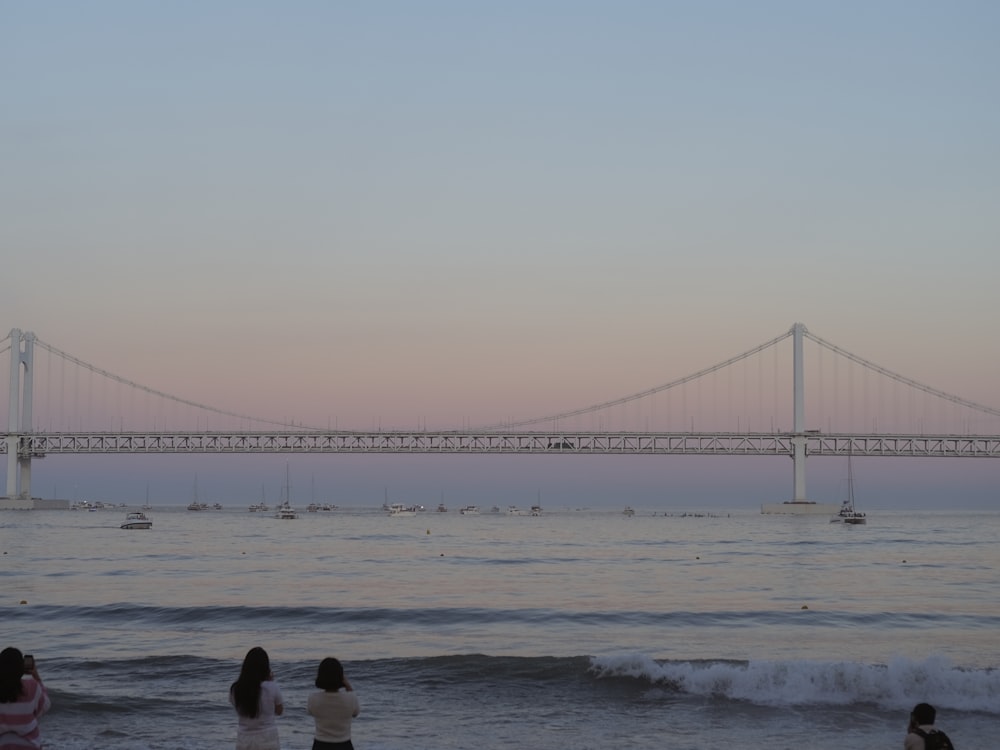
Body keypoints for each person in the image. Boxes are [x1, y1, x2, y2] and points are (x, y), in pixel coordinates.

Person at [230, 647, 284, 750]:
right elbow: (279, 711)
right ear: (265, 667)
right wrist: (270, 682)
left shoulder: (235, 689)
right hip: (267, 738)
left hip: (244, 739)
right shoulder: (272, 687)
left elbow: (237, 707)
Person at [0, 648, 51, 750]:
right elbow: (45, 706)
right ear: (21, 667)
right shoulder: (32, 686)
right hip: (30, 744)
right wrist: (36, 677)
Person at [307, 657, 360, 750]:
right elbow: (356, 713)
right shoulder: (351, 698)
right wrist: (348, 686)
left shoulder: (313, 698)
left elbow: (310, 712)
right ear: (341, 677)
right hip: (344, 744)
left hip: (320, 744)